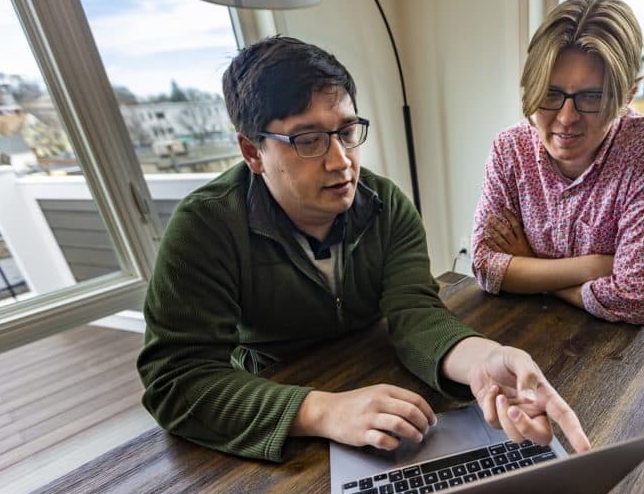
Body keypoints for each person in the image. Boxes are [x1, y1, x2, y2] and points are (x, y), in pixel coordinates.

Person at [137, 36, 590, 462]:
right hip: (272, 411)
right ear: (252, 152)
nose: (340, 161)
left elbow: (414, 312)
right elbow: (175, 380)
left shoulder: (387, 205)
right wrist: (323, 412)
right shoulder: (205, 226)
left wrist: (482, 361)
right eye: (308, 140)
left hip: (378, 389)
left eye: (347, 131)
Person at [471, 0, 644, 324]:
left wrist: (530, 266)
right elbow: (485, 266)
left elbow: (637, 299)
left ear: (627, 96)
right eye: (551, 94)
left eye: (592, 97)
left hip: (621, 349)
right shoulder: (510, 149)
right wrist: (595, 266)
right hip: (524, 329)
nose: (566, 118)